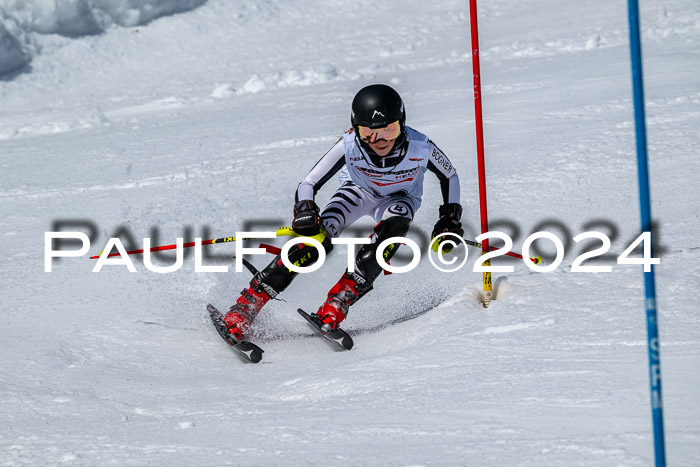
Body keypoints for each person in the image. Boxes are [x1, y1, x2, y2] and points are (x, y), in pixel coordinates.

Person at [223, 84, 464, 340]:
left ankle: (336, 305)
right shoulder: (348, 144)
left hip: (399, 198)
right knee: (315, 242)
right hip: (357, 191)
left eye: (389, 130)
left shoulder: (421, 146)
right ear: (356, 128)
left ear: (402, 124)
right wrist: (305, 210)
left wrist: (449, 217)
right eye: (369, 134)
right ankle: (246, 307)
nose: (380, 141)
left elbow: (449, 175)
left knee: (390, 235)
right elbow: (309, 184)